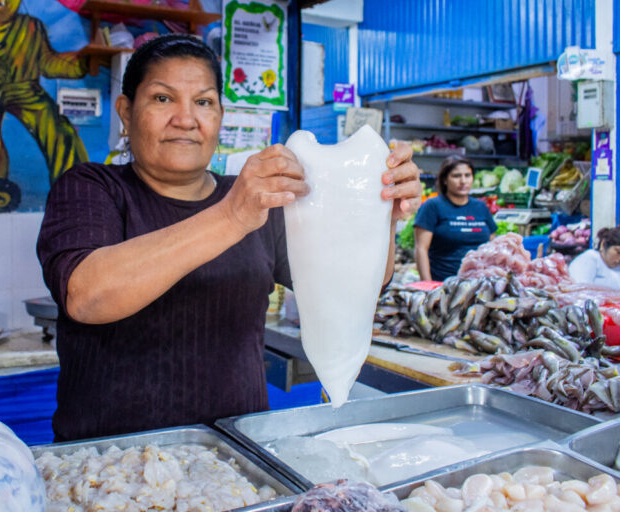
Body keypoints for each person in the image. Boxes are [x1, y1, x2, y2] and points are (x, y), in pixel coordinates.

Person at [36, 34, 422, 441]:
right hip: (111, 465)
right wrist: (232, 215)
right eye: (163, 99)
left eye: (203, 102)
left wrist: (380, 217)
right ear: (126, 112)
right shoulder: (91, 187)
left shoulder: (258, 201)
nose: (185, 119)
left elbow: (350, 285)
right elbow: (87, 295)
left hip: (239, 456)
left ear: (220, 116)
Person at [413, 156, 496, 281]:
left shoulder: (480, 207)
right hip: (444, 284)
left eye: (467, 175)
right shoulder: (432, 206)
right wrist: (428, 285)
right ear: (445, 180)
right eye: (456, 176)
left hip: (479, 284)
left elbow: (492, 246)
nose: (463, 181)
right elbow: (421, 249)